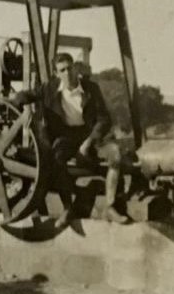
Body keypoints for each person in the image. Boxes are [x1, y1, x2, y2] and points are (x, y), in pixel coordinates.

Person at [12, 52, 131, 226]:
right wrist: (21, 106)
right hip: (66, 137)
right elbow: (25, 96)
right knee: (56, 159)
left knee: (115, 155)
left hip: (91, 136)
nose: (67, 73)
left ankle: (111, 207)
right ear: (56, 73)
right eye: (62, 70)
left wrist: (88, 142)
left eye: (69, 68)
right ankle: (68, 208)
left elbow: (104, 119)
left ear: (75, 68)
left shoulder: (91, 88)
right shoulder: (49, 88)